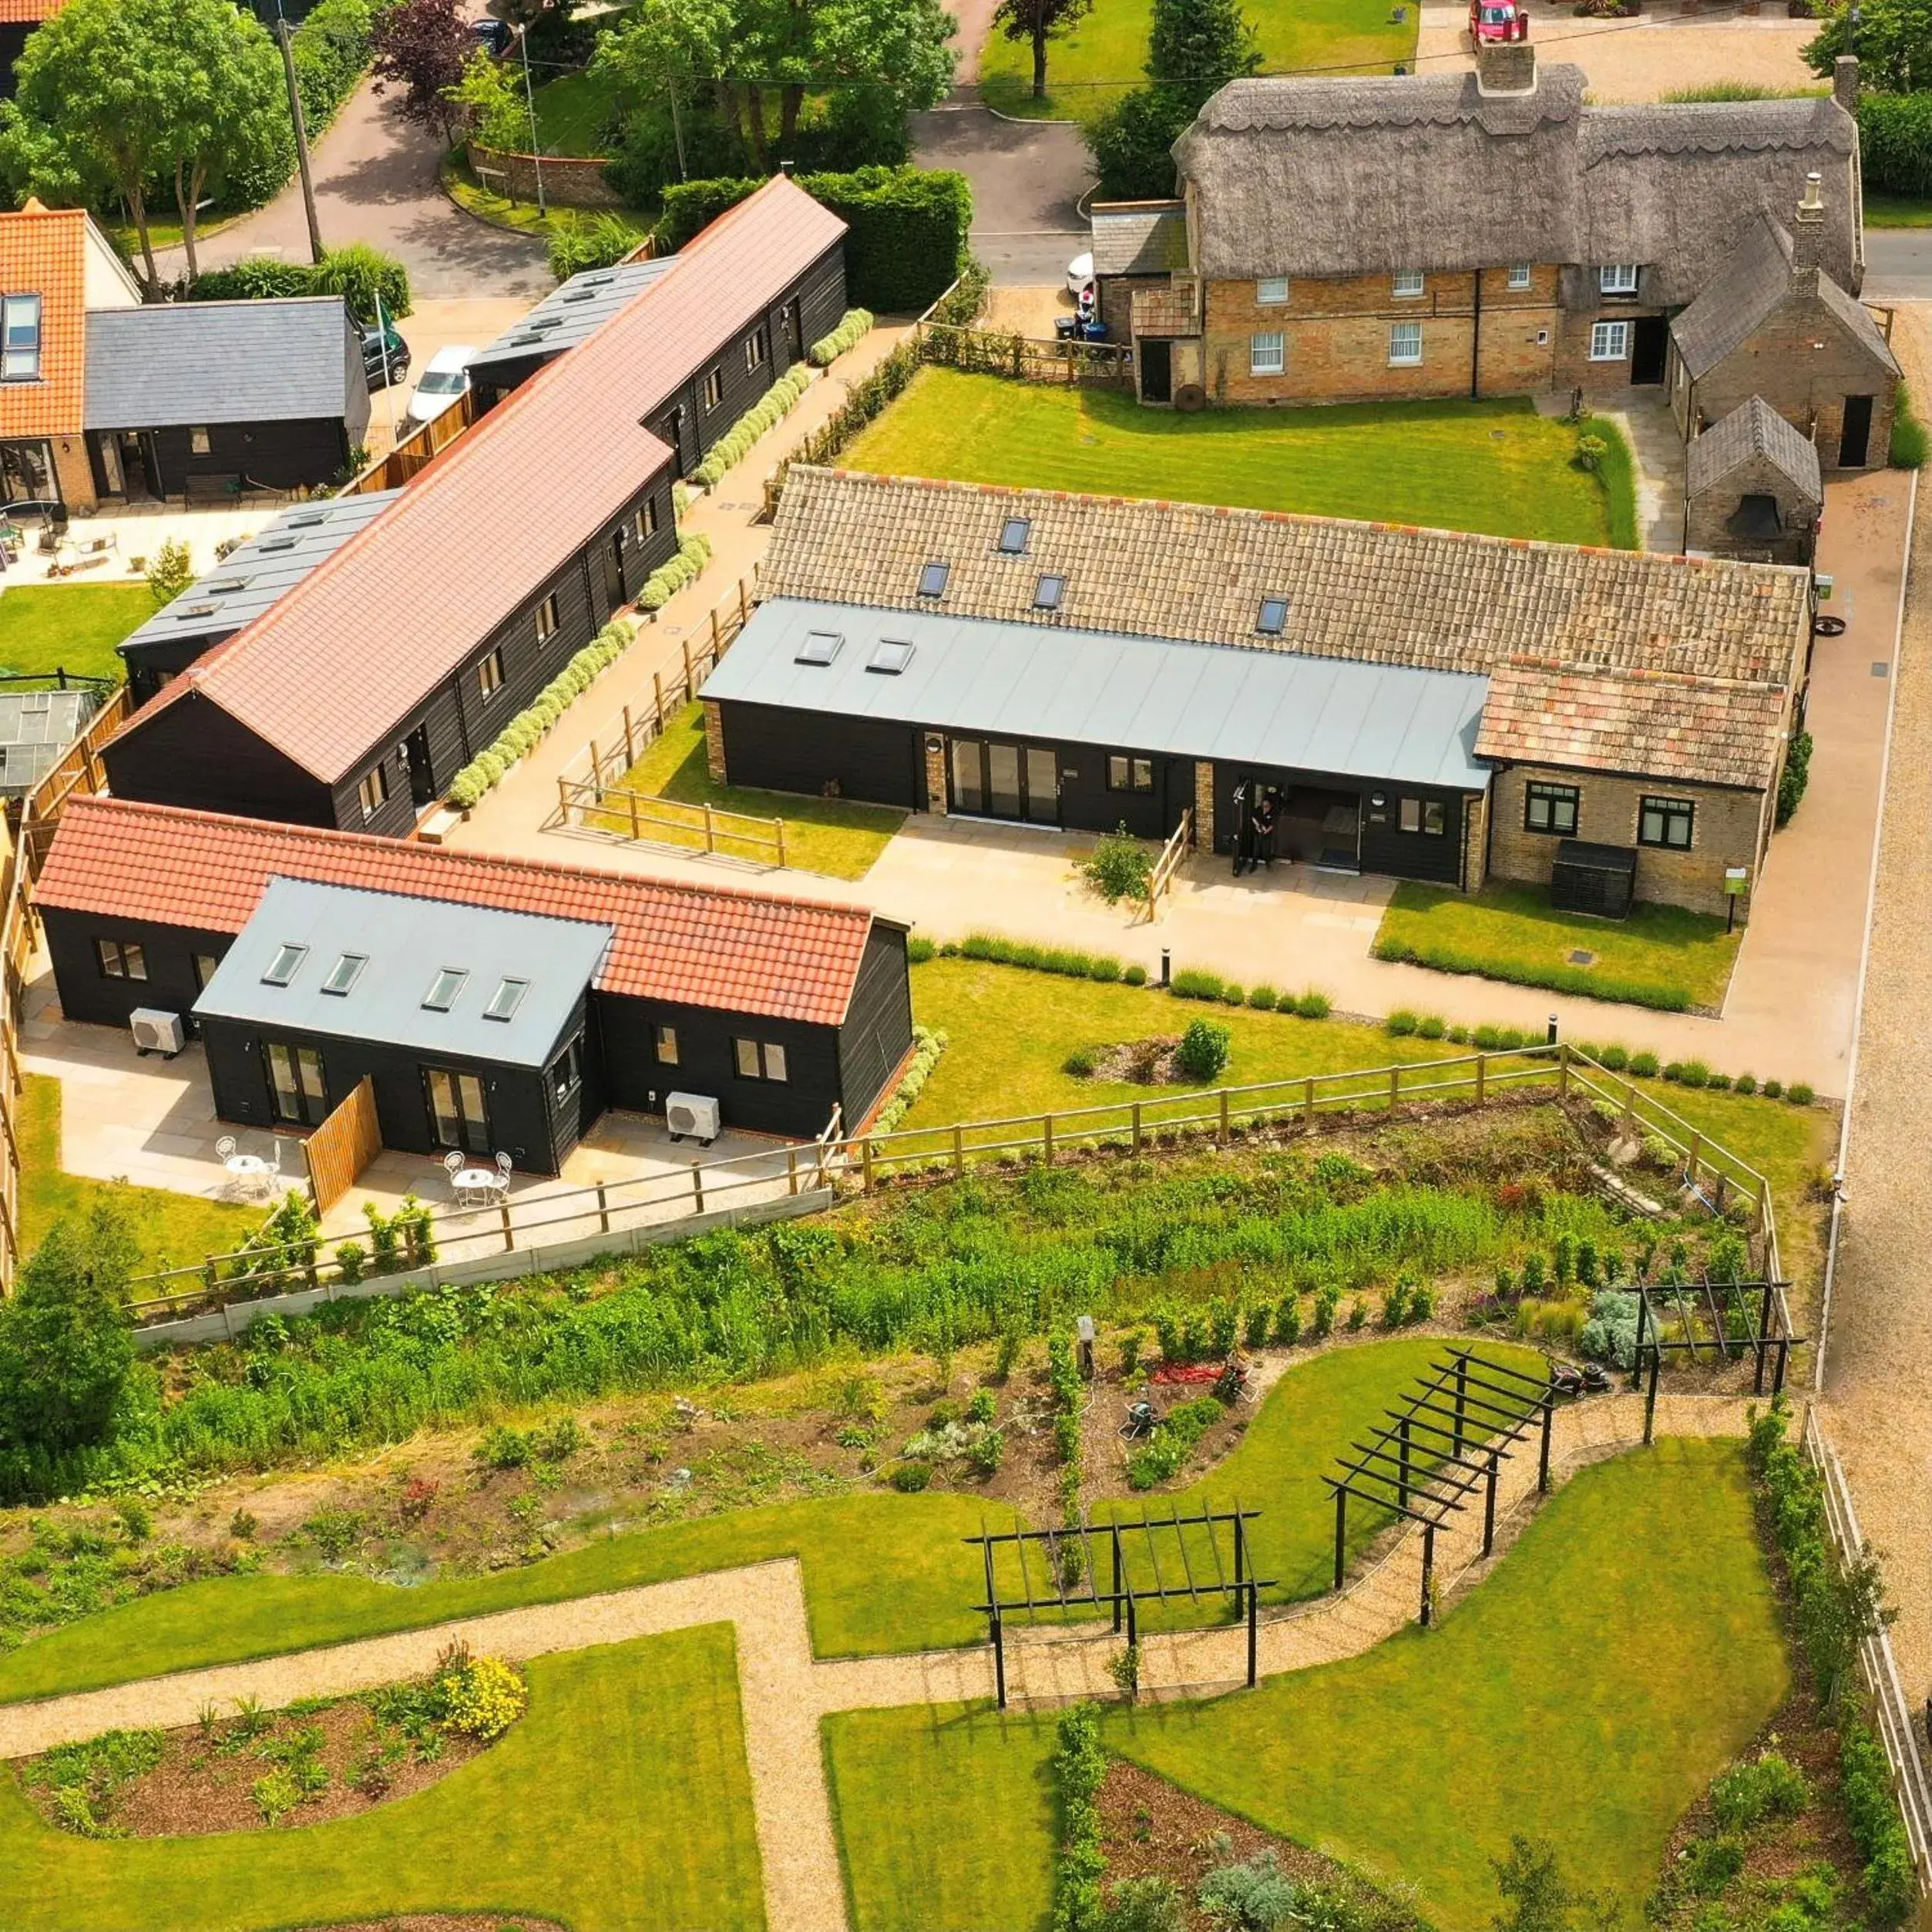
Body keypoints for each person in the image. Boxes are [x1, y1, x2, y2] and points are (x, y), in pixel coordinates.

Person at [1253, 788, 1278, 871]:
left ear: (1270, 806)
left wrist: (1267, 830)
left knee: (1266, 850)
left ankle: (1267, 863)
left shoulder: (1273, 812)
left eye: (1266, 806)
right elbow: (1253, 818)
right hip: (1258, 833)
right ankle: (1254, 865)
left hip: (1267, 834)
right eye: (1263, 805)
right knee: (1256, 850)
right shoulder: (1259, 809)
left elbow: (1273, 824)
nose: (1265, 808)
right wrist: (1258, 826)